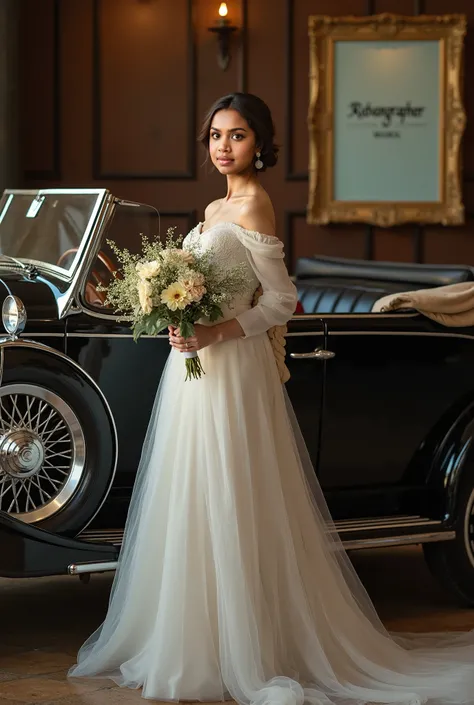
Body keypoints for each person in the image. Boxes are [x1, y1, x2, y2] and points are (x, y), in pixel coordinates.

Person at [69, 93, 474, 705]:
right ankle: (186, 641)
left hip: (232, 371)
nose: (223, 146)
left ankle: (243, 649)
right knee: (191, 494)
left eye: (236, 135)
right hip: (191, 372)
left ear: (260, 142)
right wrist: (174, 316)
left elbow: (281, 302)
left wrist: (214, 331)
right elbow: (203, 287)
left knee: (231, 491)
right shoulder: (212, 206)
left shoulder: (256, 205)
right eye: (214, 135)